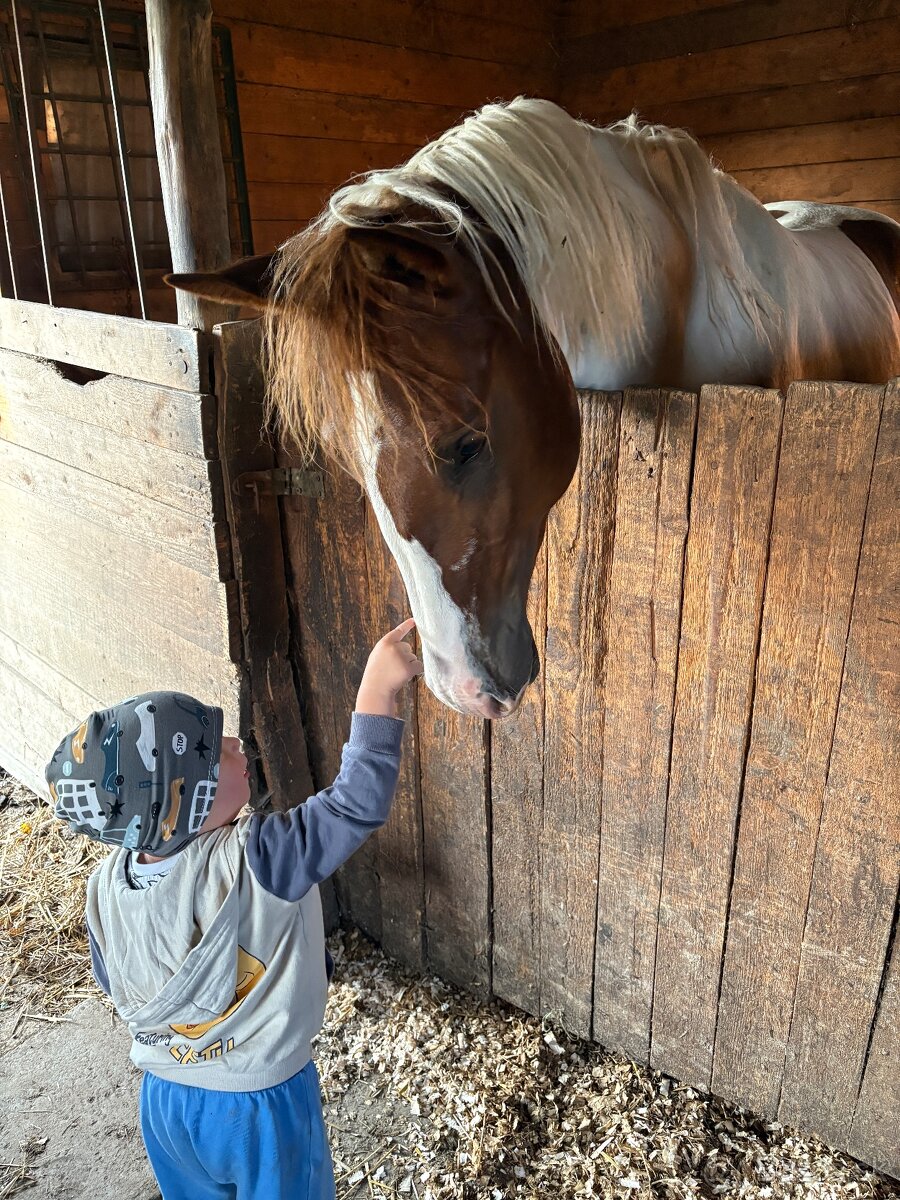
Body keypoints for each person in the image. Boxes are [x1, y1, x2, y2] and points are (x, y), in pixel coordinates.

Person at [45, 619, 422, 1200]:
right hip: (258, 1105)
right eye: (209, 752)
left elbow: (116, 978)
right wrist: (377, 693)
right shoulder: (259, 857)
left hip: (165, 1099)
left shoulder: (105, 886)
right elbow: (353, 806)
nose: (233, 744)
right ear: (185, 802)